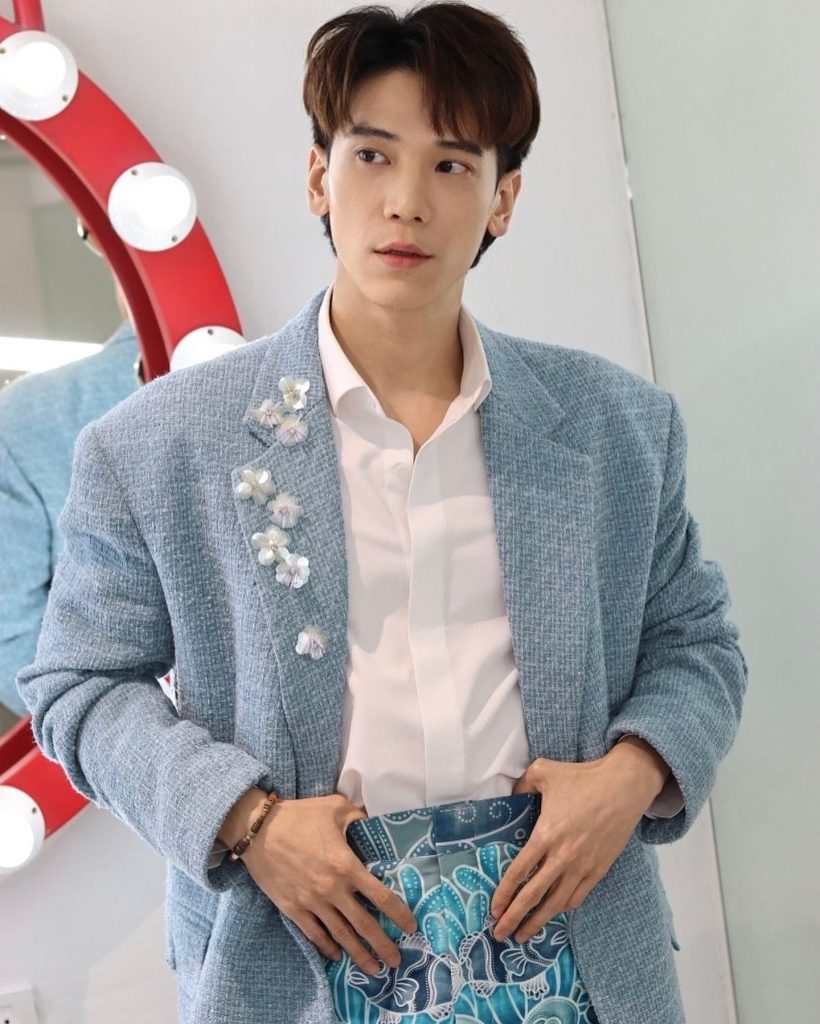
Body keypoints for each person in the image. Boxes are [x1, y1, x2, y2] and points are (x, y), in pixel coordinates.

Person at [16, 4, 748, 1023]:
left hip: (575, 954)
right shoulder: (158, 445)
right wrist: (246, 821)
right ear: (319, 177)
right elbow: (78, 686)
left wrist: (633, 773)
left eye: (451, 164)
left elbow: (698, 645)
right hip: (301, 958)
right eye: (372, 155)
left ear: (503, 199)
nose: (406, 201)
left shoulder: (616, 427)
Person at [0, 223, 139, 721]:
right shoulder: (303, 382)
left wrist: (125, 742)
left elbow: (10, 643)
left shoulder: (27, 418)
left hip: (110, 739)